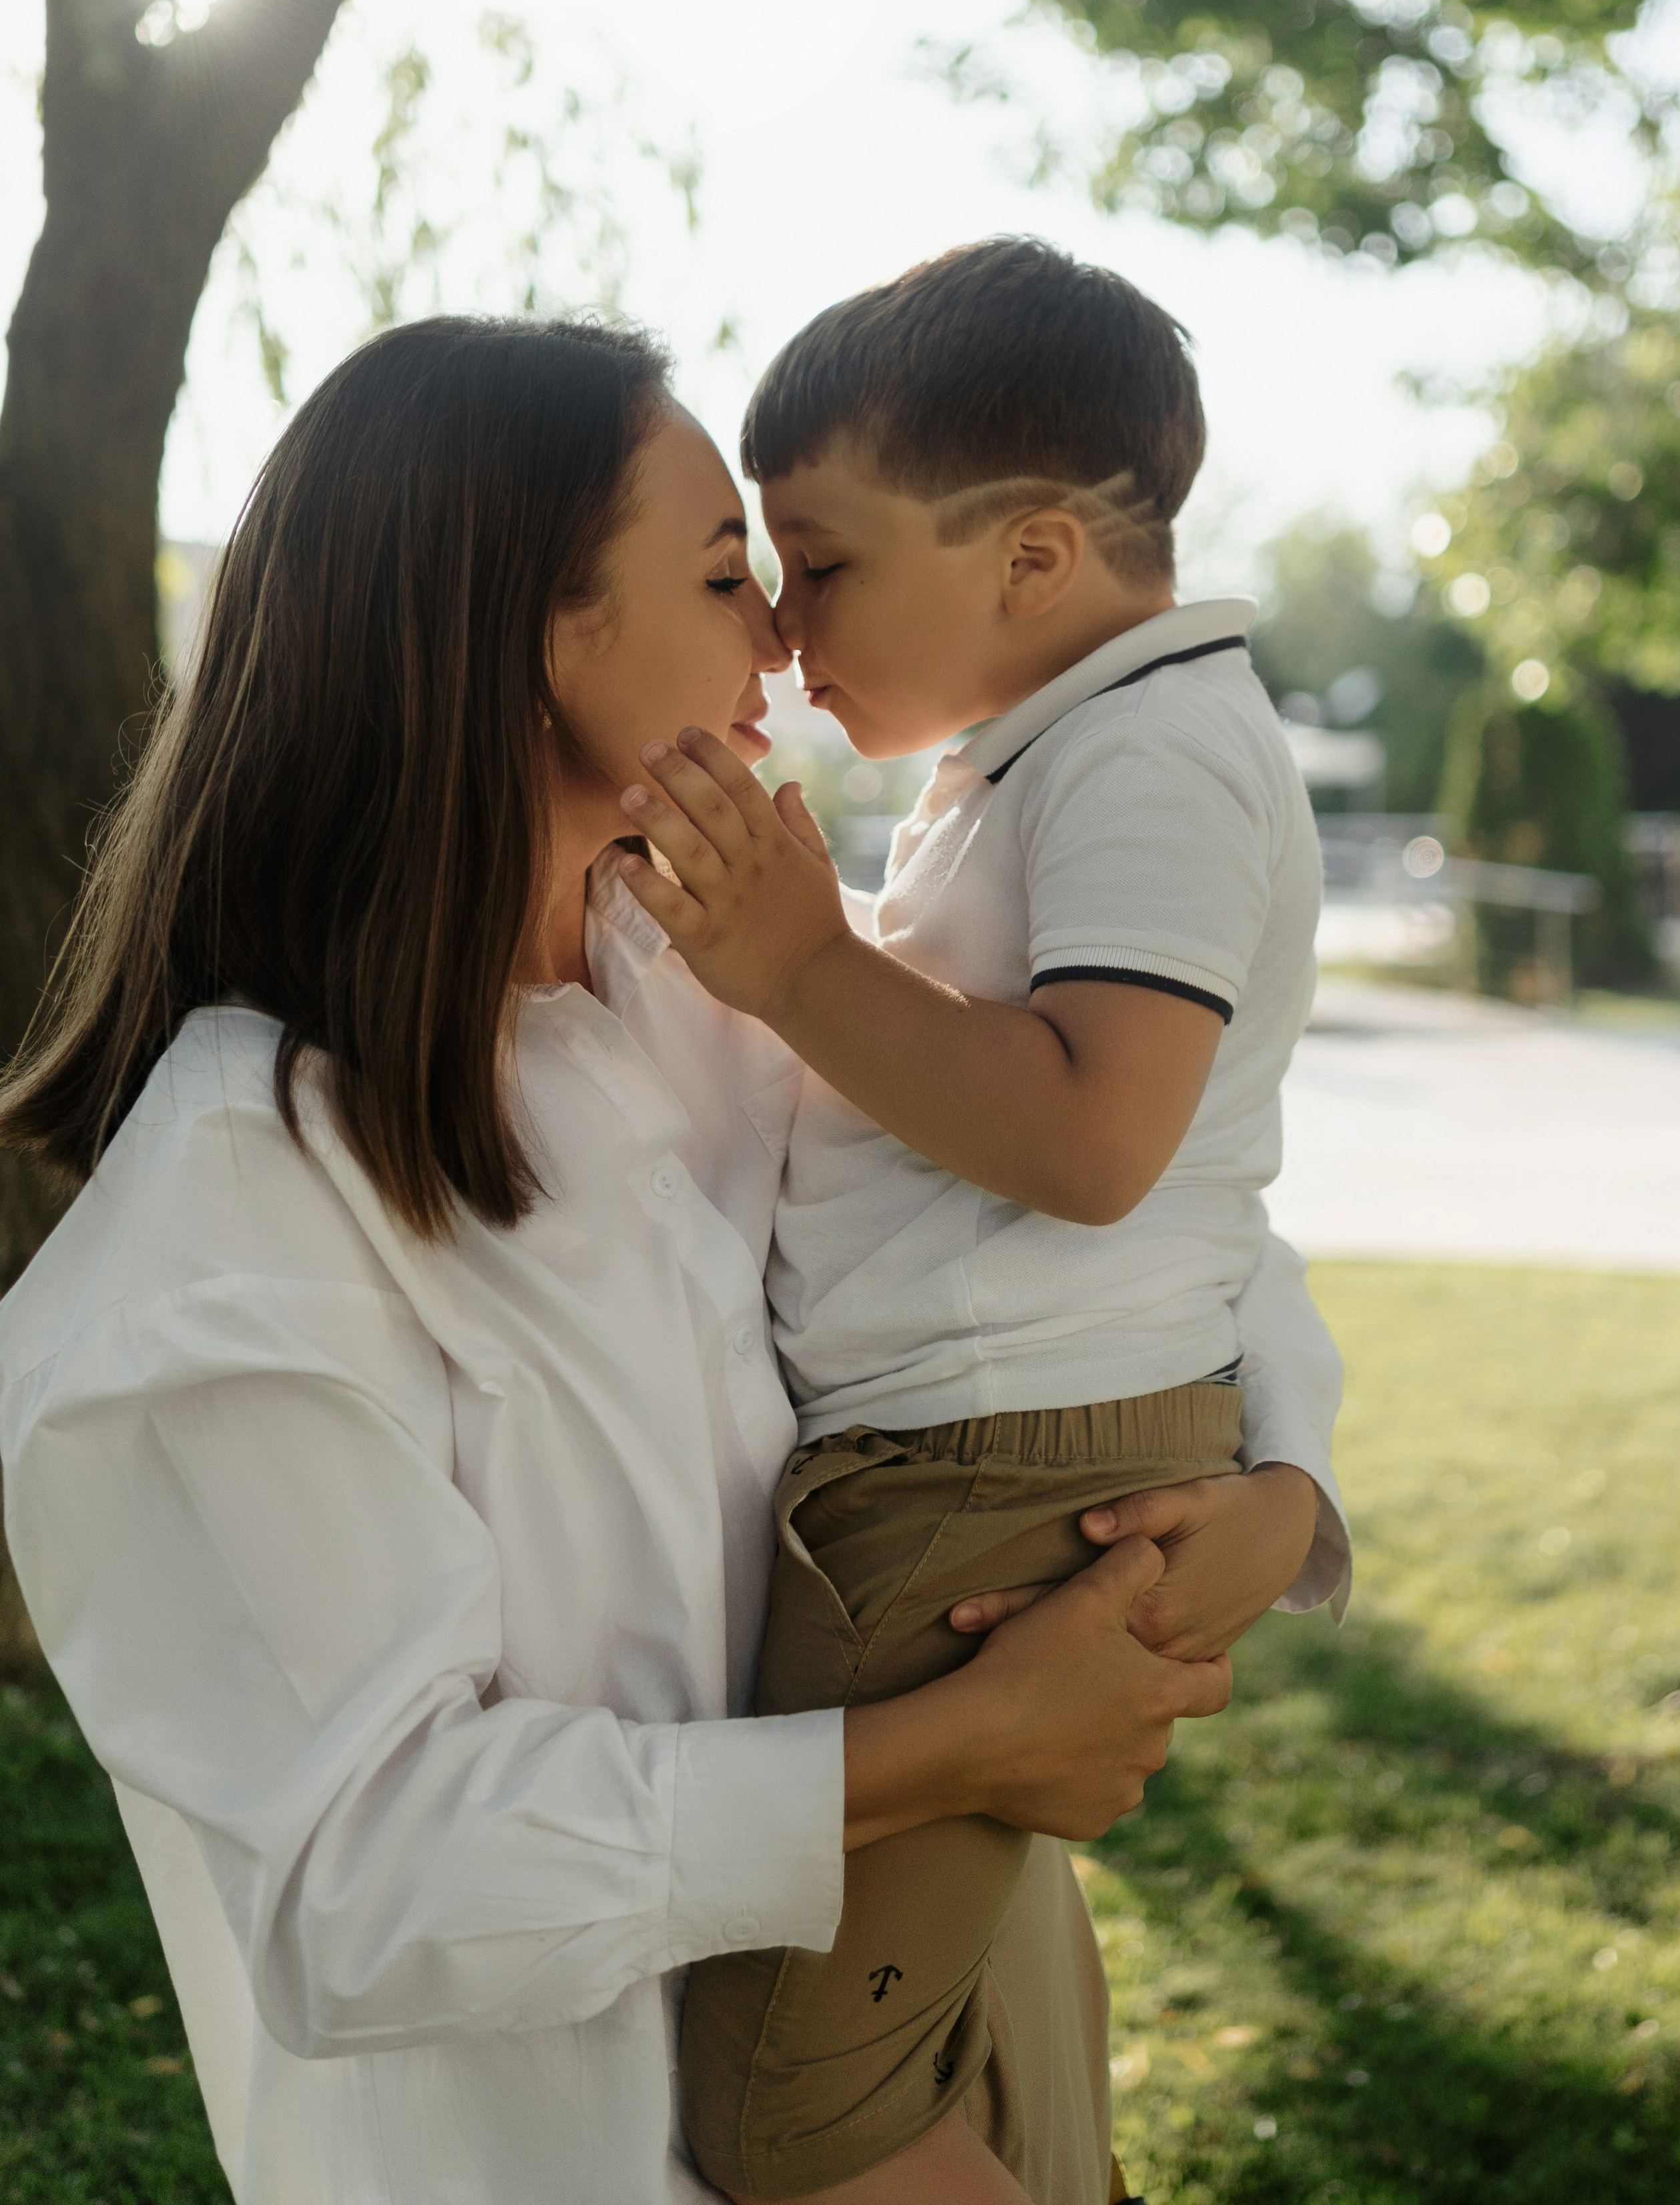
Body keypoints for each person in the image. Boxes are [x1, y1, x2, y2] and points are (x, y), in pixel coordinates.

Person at [0, 314, 1231, 2205]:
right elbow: (364, 1889)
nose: (780, 644)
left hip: (955, 1989)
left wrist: (1271, 1503)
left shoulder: (710, 1002)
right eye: (733, 575)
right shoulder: (230, 1219)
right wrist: (948, 1746)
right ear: (528, 631)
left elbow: (1105, 1210)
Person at [612, 240, 1350, 2205]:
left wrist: (793, 968)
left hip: (988, 1473)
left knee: (796, 2109)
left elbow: (1102, 1134)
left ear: (1032, 559)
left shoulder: (1155, 752)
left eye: (823, 560)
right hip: (985, 1444)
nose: (782, 619)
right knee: (939, 2041)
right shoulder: (1042, 752)